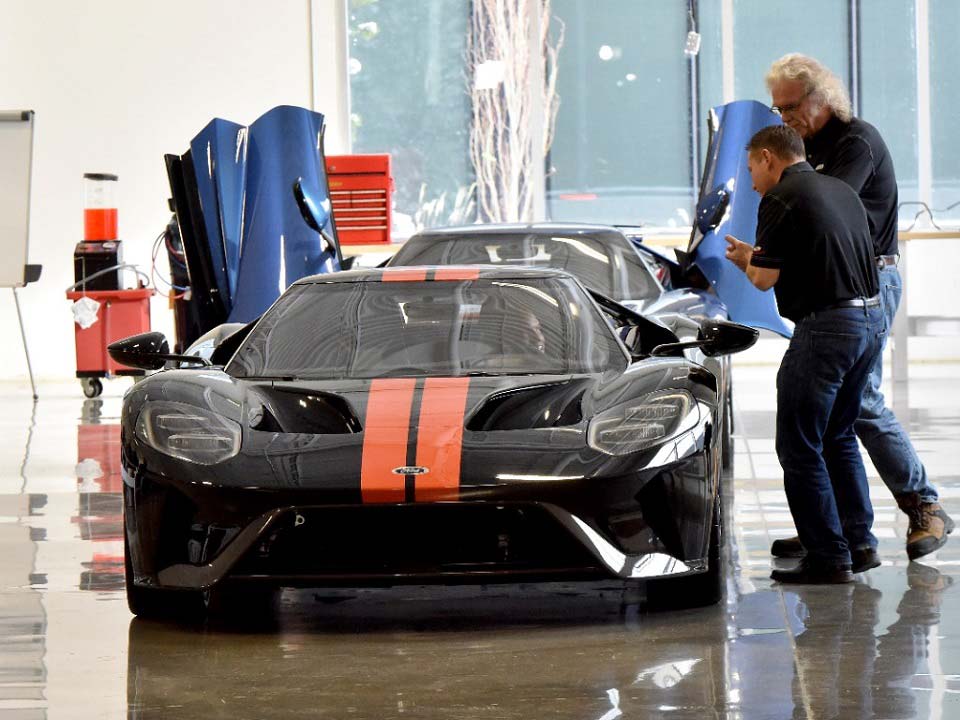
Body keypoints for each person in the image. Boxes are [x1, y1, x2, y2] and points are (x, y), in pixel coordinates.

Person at [765, 53, 953, 561]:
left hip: (870, 280)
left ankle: (924, 505)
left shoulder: (856, 142)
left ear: (820, 96)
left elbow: (826, 212)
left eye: (791, 107)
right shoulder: (805, 146)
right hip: (834, 286)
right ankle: (834, 527)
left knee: (859, 403)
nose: (784, 118)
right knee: (829, 414)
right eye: (777, 110)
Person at [726, 125, 884, 583]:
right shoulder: (837, 188)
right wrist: (755, 258)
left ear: (769, 158)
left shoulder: (779, 198)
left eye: (752, 165)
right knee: (838, 434)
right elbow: (819, 253)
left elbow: (763, 280)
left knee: (799, 444)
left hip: (826, 327)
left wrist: (743, 261)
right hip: (868, 322)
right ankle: (859, 542)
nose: (752, 177)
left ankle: (829, 557)